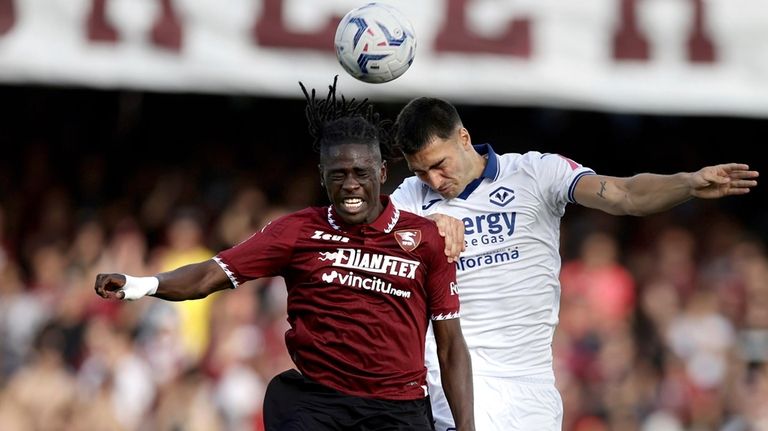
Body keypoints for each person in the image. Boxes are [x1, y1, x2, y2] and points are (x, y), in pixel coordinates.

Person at [94, 79, 476, 431]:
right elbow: (210, 275)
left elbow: (451, 345)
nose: (351, 185)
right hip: (318, 405)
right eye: (338, 174)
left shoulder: (426, 238)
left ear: (381, 170)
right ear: (322, 174)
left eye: (361, 172)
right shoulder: (296, 231)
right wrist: (138, 285)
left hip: (397, 410)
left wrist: (467, 427)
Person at [388, 96, 759, 431]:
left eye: (439, 165)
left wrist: (687, 183)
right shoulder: (410, 199)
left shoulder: (536, 173)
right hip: (455, 379)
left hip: (531, 383)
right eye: (420, 172)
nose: (433, 181)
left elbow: (623, 194)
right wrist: (425, 228)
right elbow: (370, 240)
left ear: (464, 138)